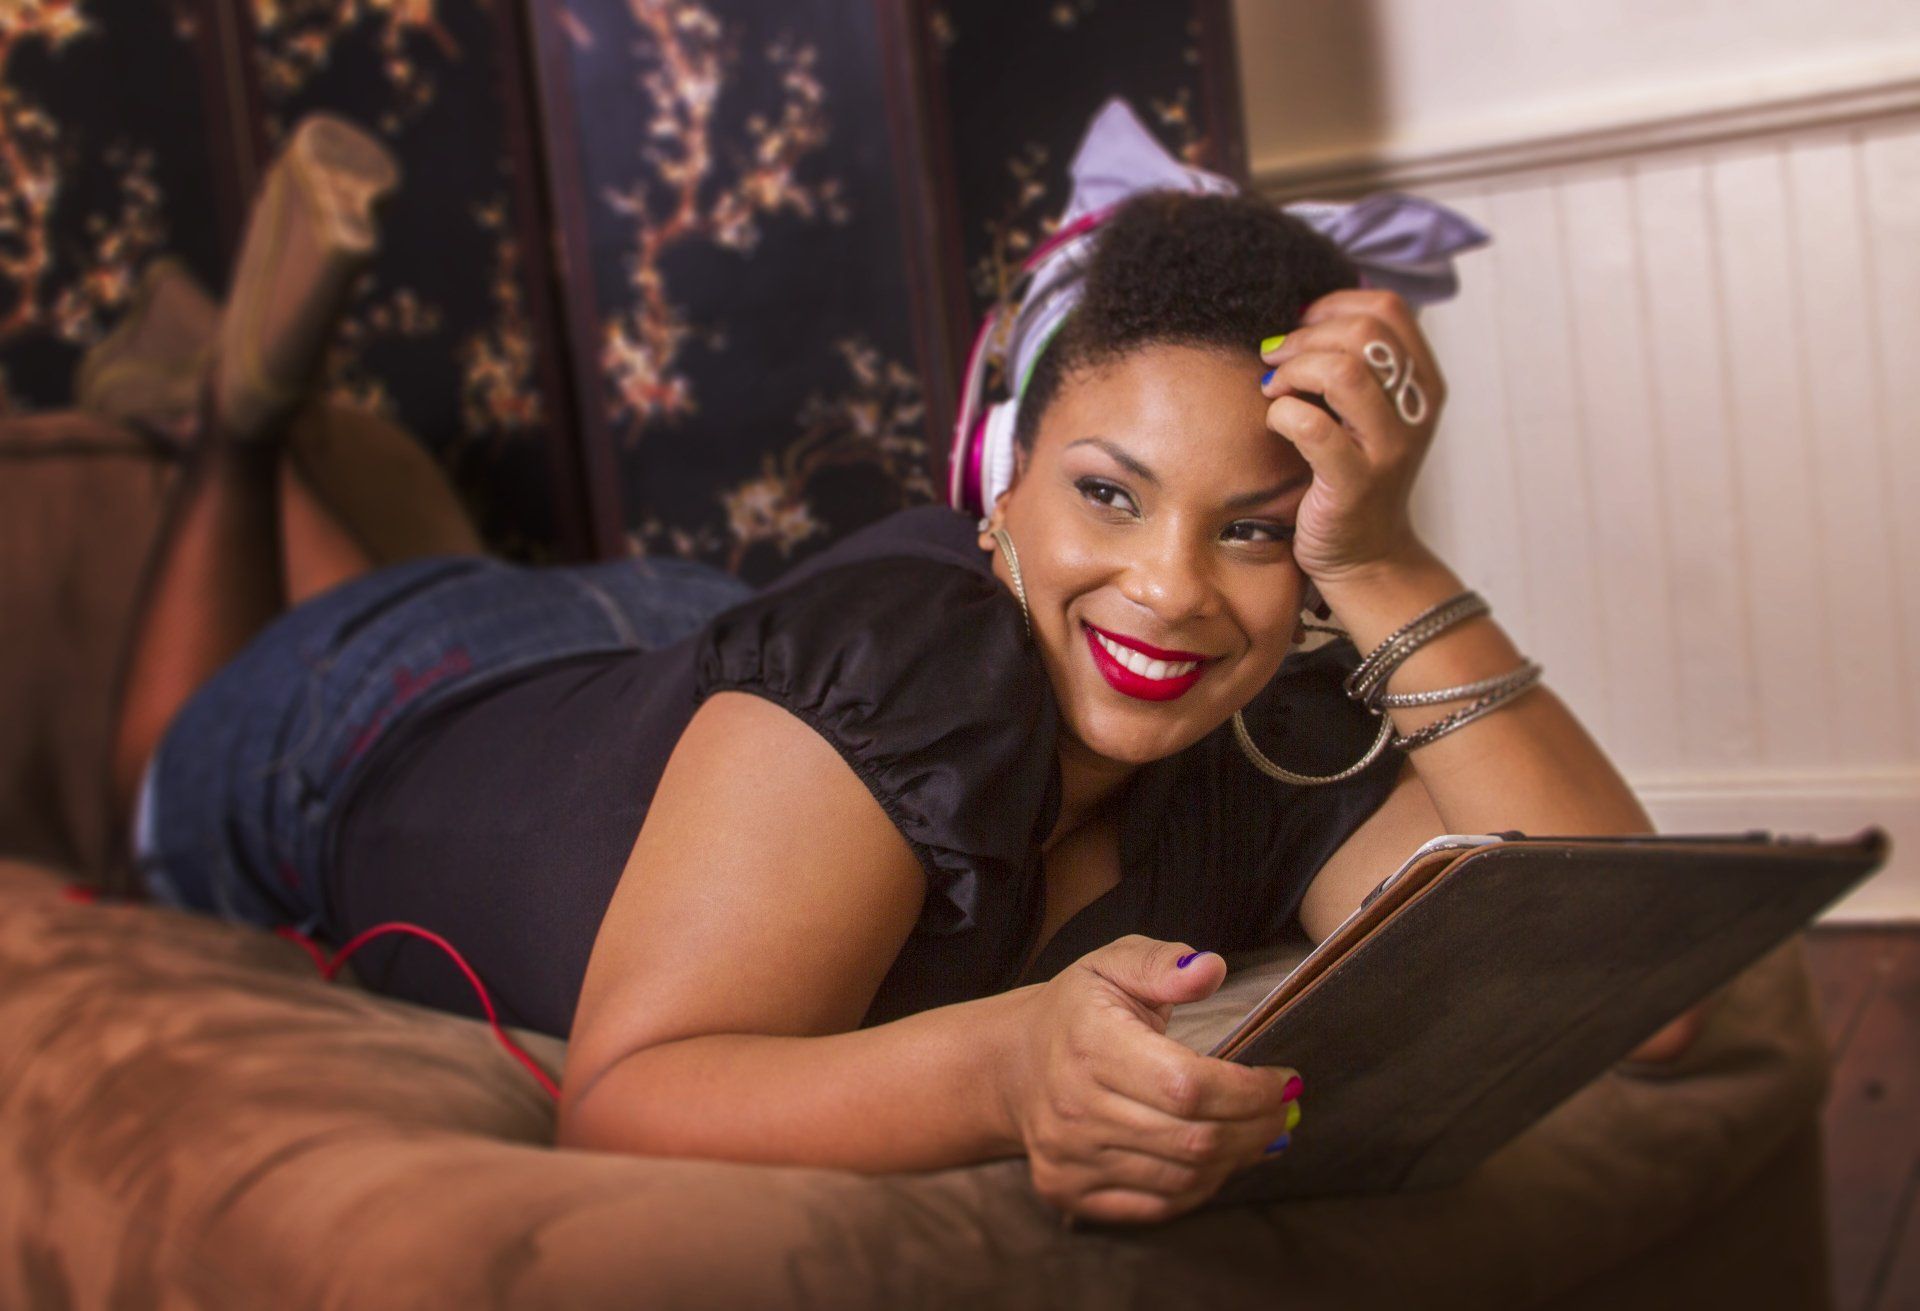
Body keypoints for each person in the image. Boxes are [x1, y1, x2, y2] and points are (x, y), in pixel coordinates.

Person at [109, 121, 1705, 1228]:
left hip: (669, 645)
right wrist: (1010, 1064)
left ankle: (289, 434)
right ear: (999, 484)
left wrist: (1391, 564)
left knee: (450, 582)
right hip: (377, 726)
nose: (1168, 587)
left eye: (1261, 531)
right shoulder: (905, 664)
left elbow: (1630, 992)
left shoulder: (1277, 716)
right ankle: (231, 429)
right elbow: (631, 1099)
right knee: (176, 750)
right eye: (1106, 490)